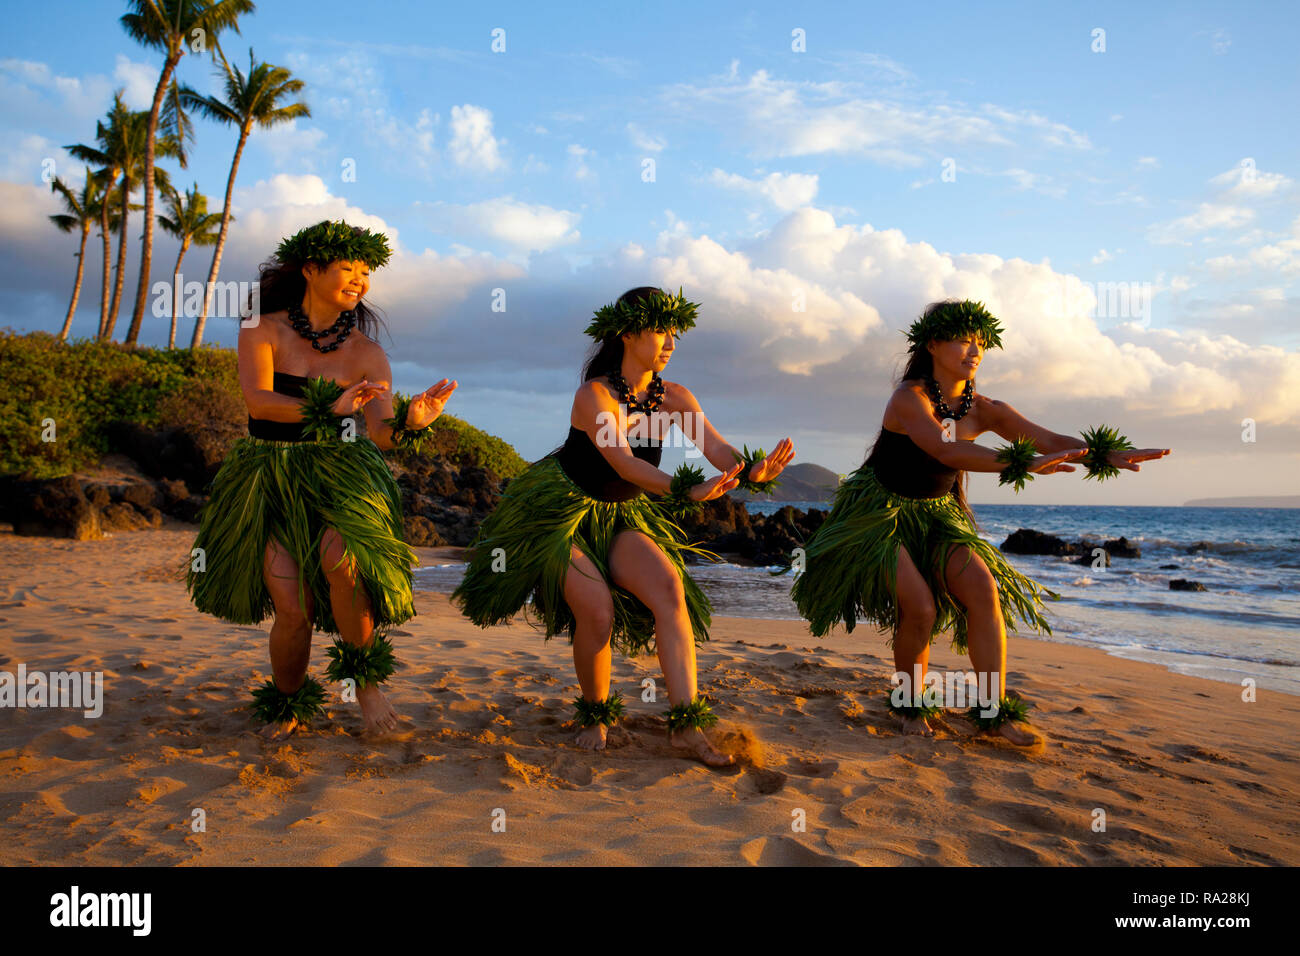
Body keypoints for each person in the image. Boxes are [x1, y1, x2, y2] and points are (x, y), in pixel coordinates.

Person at [788, 299, 1170, 744]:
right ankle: (910, 706)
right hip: (880, 515)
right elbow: (945, 449)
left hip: (937, 515)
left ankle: (994, 712)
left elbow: (1048, 440)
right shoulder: (908, 399)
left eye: (981, 342)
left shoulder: (987, 409)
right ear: (932, 343)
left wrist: (1107, 454)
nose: (975, 350)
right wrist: (1024, 463)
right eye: (963, 340)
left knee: (984, 591)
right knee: (922, 608)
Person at [452, 286, 795, 766]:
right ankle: (595, 713)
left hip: (620, 516)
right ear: (628, 333)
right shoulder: (595, 396)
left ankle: (685, 726)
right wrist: (685, 490)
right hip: (562, 516)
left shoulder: (675, 398)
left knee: (669, 589)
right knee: (597, 611)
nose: (671, 343)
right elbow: (625, 464)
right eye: (661, 331)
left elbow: (717, 451)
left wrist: (751, 471)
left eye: (676, 333)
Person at [186, 219, 457, 739]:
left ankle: (366, 686)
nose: (360, 280)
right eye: (348, 269)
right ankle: (288, 703)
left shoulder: (365, 353)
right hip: (268, 476)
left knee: (345, 564)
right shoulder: (261, 329)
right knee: (292, 608)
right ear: (311, 269)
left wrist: (409, 423)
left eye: (366, 272)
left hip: (341, 474)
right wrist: (327, 408)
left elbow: (379, 434)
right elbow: (259, 402)